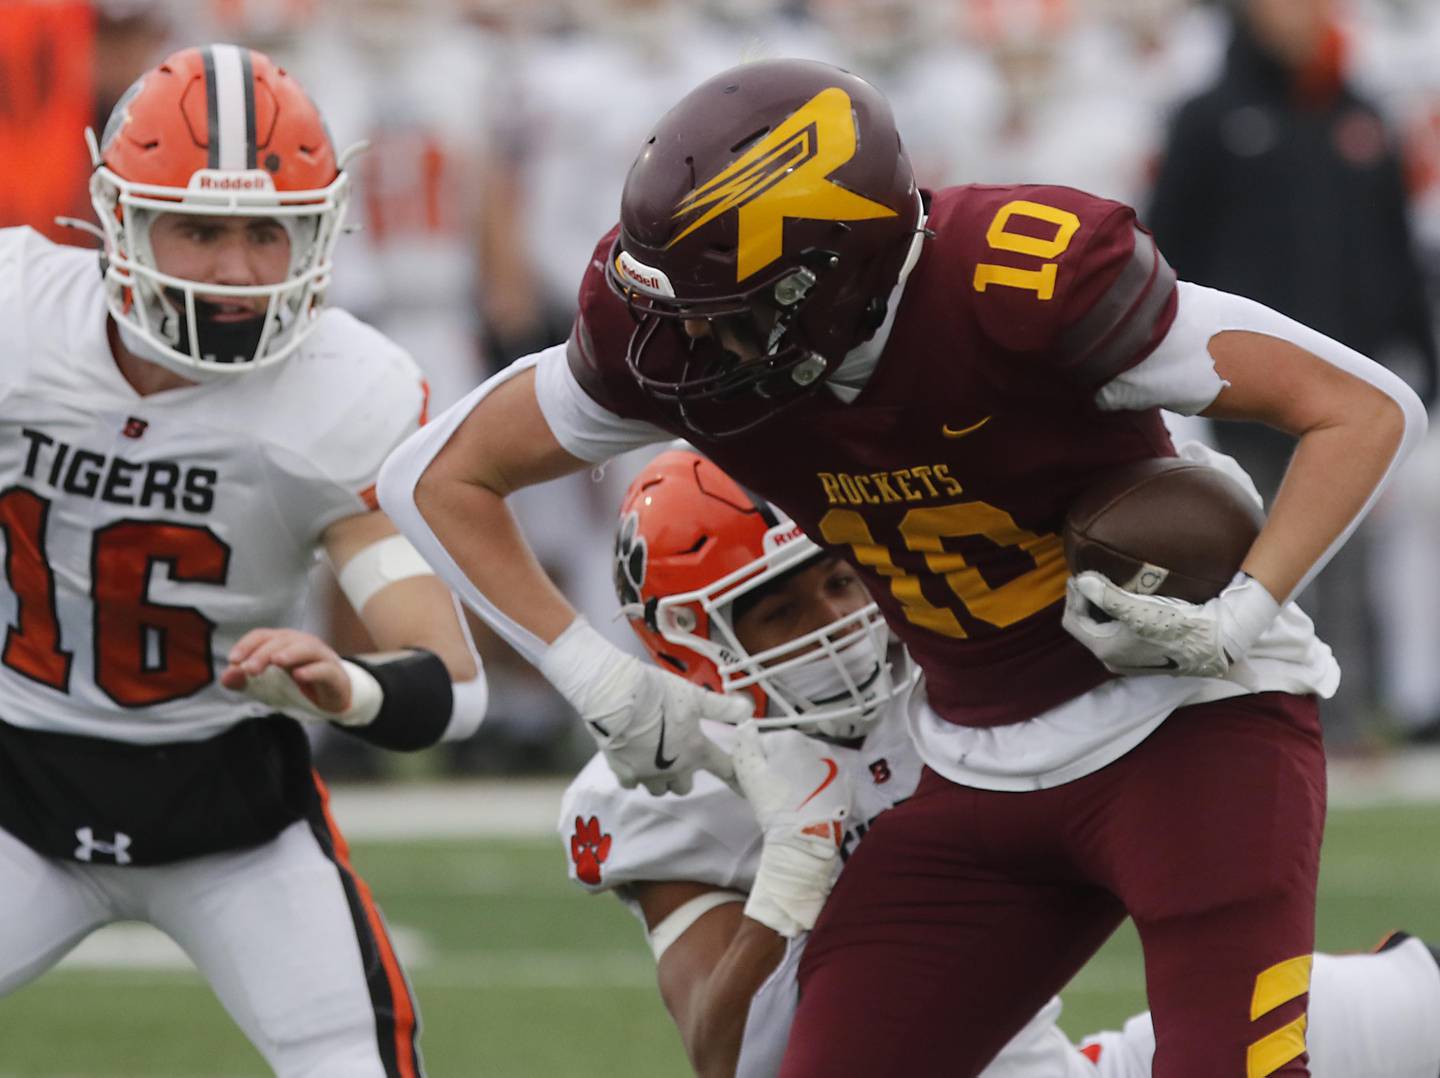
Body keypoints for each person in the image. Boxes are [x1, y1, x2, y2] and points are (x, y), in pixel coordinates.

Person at [379, 59, 1425, 1075]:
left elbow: (1360, 405)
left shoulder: (1021, 279)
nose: (686, 340)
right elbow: (436, 476)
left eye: (729, 309)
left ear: (831, 275)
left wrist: (1245, 607)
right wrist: (595, 676)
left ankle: (1395, 1017)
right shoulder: (674, 335)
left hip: (1184, 726)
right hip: (970, 759)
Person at [560, 445, 1440, 1078]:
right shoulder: (670, 788)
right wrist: (795, 861)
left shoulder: (959, 684)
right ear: (689, 642)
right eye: (779, 612)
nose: (832, 624)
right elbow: (731, 1059)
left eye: (839, 582)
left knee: (1404, 1010)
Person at [0, 45, 488, 1077]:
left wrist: (345, 685)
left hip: (231, 816)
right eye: (199, 227)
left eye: (268, 233)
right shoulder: (16, 321)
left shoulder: (344, 389)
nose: (232, 270)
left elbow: (452, 683)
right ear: (119, 219)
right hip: (13, 787)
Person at [1146, 0, 1439, 745]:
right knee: (1258, 547)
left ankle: (1344, 721)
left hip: (1353, 388)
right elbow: (1165, 252)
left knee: (1348, 558)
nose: (1301, 16)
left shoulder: (1361, 117)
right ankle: (1265, 723)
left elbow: (1395, 254)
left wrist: (1421, 362)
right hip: (1250, 388)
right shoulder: (1209, 118)